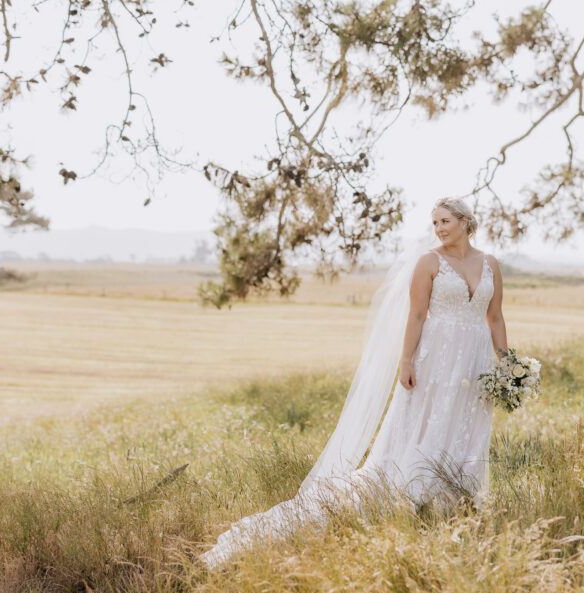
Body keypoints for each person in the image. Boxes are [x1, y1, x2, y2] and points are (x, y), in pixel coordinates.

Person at [199, 196, 507, 568]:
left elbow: (495, 318)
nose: (439, 229)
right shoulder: (429, 262)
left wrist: (506, 364)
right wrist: (406, 361)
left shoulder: (490, 264)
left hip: (474, 365)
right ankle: (411, 500)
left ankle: (459, 503)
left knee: (466, 429)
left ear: (464, 221)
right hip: (433, 361)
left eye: (444, 221)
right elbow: (416, 316)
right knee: (423, 431)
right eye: (435, 223)